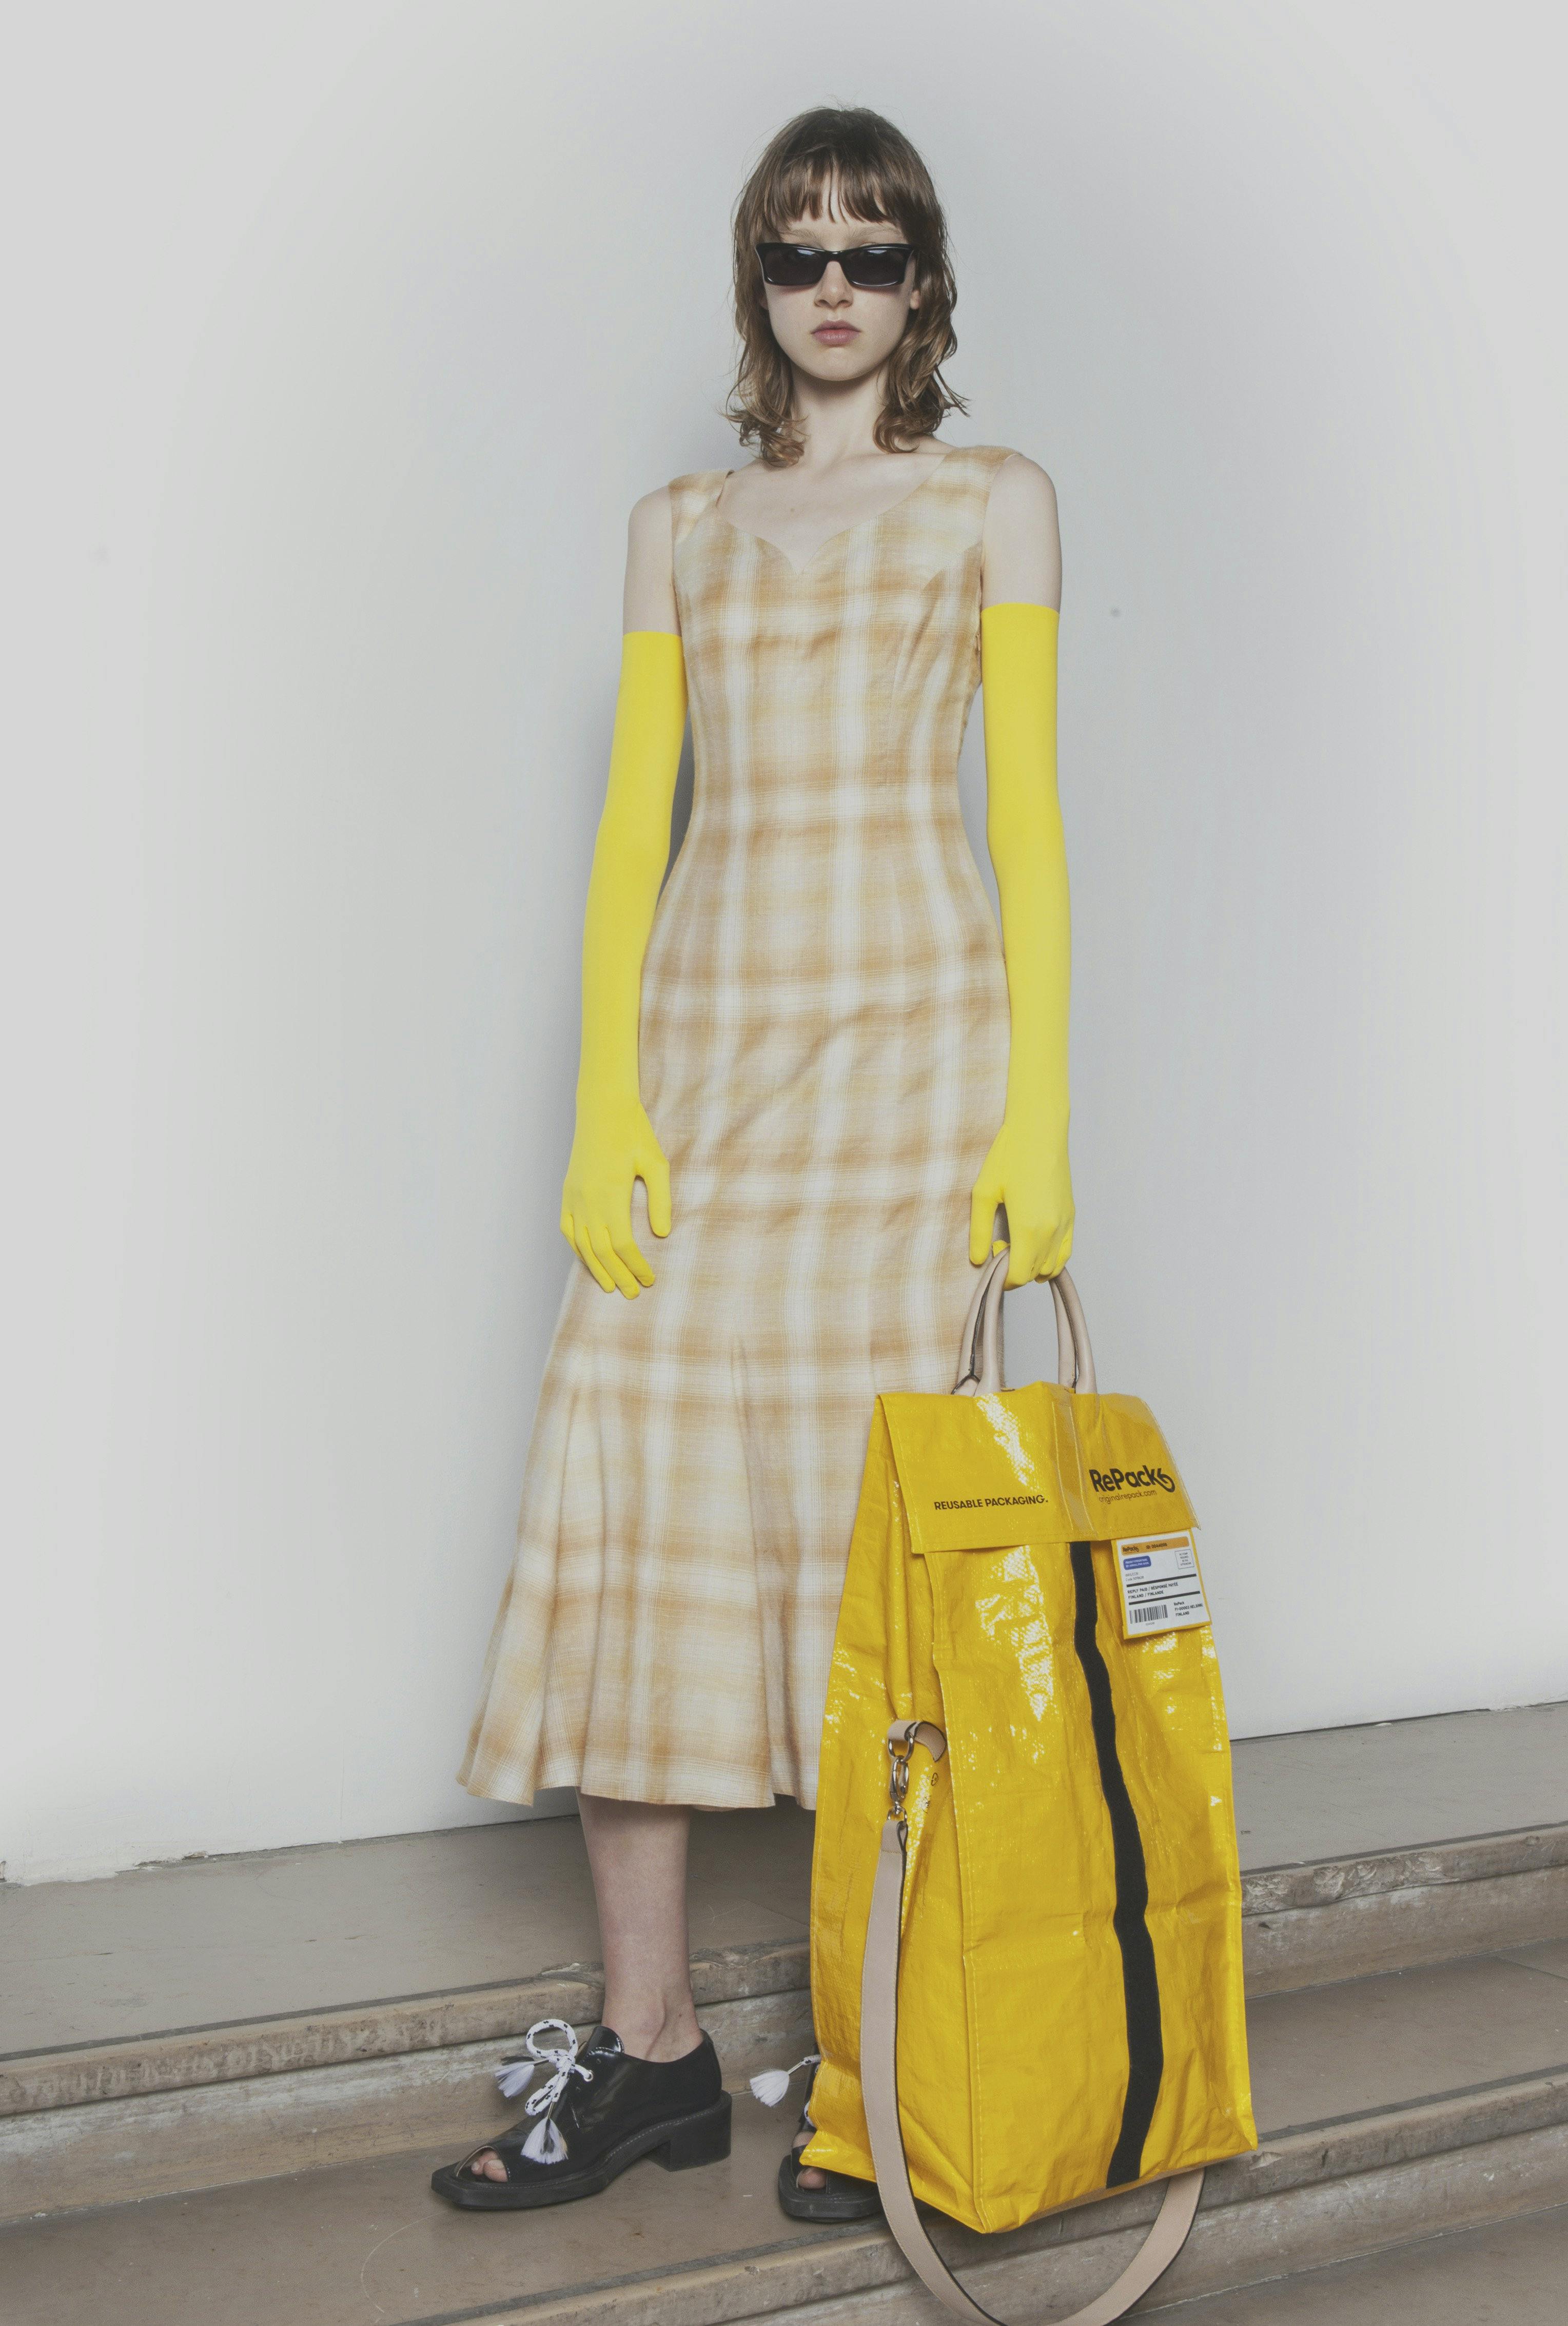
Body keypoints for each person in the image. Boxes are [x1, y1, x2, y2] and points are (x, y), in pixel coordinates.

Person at [430, 103, 1073, 2218]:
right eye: (801, 251)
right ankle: (653, 2057)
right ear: (757, 279)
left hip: (913, 1075)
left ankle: (890, 2069)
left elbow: (1028, 820)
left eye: (874, 253)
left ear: (924, 284)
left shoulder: (995, 501)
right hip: (706, 1066)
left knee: (887, 1567)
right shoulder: (678, 529)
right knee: (639, 1513)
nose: (835, 288)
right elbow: (637, 823)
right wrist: (604, 1106)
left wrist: (1040, 1117)